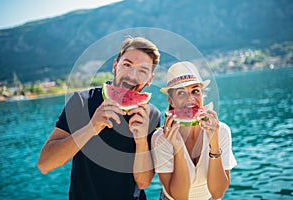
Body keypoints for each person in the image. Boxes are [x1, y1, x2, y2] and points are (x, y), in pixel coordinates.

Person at [37, 37, 161, 200]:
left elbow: (143, 183)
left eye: (142, 70)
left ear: (150, 79)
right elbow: (45, 164)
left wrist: (141, 141)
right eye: (127, 65)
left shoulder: (151, 115)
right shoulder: (82, 101)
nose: (132, 75)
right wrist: (91, 128)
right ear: (115, 66)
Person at [151, 61, 237, 200]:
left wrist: (214, 144)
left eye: (195, 91)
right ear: (171, 101)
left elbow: (218, 193)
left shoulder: (221, 131)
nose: (190, 98)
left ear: (203, 94)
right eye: (181, 93)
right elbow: (179, 197)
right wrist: (178, 149)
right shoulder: (161, 138)